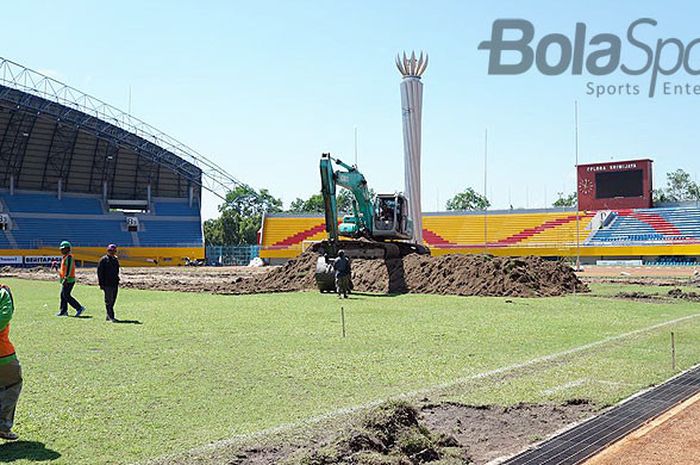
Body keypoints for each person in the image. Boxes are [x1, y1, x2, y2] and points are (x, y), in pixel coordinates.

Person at [0, 283, 21, 440]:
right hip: (3, 354)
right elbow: (5, 316)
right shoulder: (2, 294)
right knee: (12, 385)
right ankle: (3, 426)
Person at [56, 241, 86, 317]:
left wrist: (66, 278)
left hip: (69, 280)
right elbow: (63, 270)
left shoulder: (69, 257)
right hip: (65, 279)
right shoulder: (65, 257)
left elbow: (69, 268)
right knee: (63, 295)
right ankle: (63, 311)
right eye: (61, 249)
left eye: (63, 249)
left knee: (66, 295)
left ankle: (79, 308)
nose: (61, 250)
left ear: (68, 249)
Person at [97, 244, 120, 323]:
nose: (112, 252)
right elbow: (100, 273)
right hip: (107, 284)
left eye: (113, 251)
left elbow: (117, 271)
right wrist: (101, 284)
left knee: (113, 300)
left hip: (114, 283)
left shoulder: (115, 260)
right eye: (110, 251)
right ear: (107, 251)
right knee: (108, 301)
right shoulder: (103, 260)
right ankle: (111, 317)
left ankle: (108, 315)